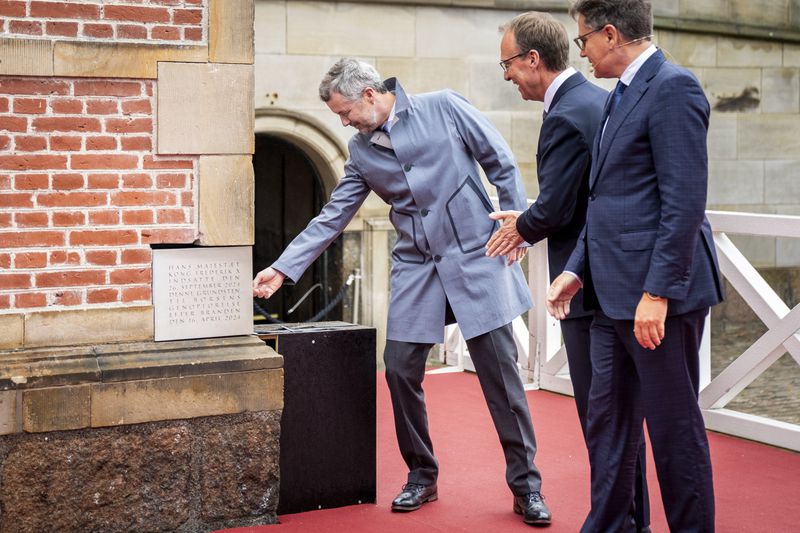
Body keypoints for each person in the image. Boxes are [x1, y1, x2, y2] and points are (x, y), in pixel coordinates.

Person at [253, 58, 552, 525]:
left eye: (345, 111)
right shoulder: (360, 149)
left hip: (479, 255)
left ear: (370, 94)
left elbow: (502, 162)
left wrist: (517, 226)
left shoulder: (446, 106)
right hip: (417, 266)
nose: (344, 121)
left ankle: (526, 485)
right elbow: (333, 215)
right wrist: (283, 268)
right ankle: (422, 474)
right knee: (398, 369)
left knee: (501, 377)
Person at [546, 1, 724, 531]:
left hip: (658, 301)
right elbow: (605, 199)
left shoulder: (674, 87)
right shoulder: (618, 94)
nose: (580, 53)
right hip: (608, 298)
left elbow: (684, 200)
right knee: (609, 428)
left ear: (609, 34)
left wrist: (659, 293)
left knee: (673, 433)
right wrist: (575, 267)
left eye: (582, 41)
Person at [486, 11, 650, 532]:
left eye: (508, 65)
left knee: (602, 423)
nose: (507, 76)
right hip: (616, 281)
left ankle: (618, 523)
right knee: (620, 424)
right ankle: (631, 521)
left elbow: (558, 207)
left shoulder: (565, 113)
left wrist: (522, 227)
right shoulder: (600, 100)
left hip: (587, 289)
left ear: (532, 59)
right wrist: (530, 219)